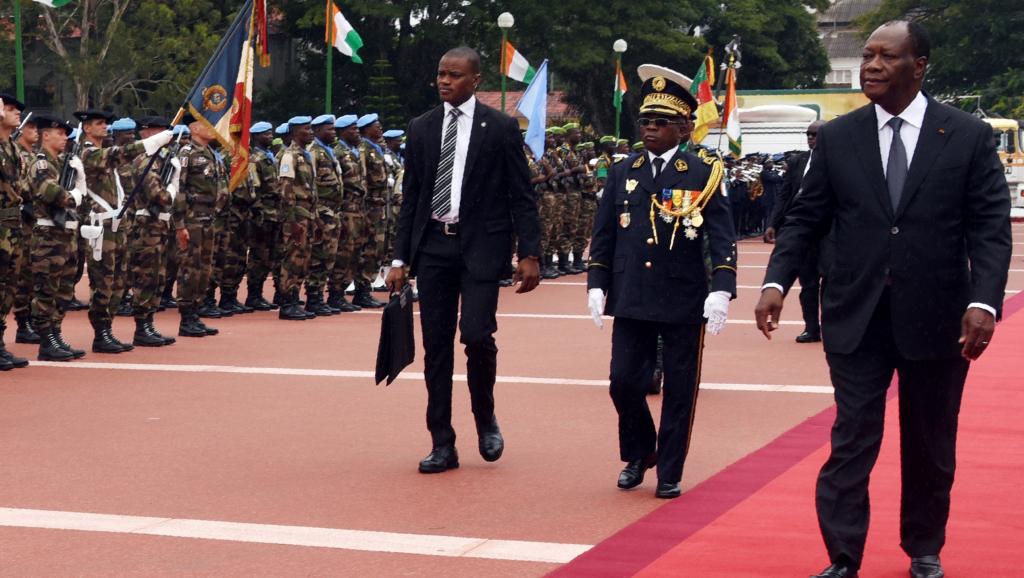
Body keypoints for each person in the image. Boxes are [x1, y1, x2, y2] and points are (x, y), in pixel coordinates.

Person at [754, 21, 1011, 578]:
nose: (871, 65)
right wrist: (776, 282)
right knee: (853, 435)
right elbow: (806, 218)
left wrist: (985, 303)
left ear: (919, 66)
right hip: (856, 316)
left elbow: (989, 227)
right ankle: (843, 555)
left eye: (885, 57)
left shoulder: (966, 135)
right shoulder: (840, 137)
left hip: (939, 317)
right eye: (867, 56)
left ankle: (924, 547)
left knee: (929, 440)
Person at [385, 46, 541, 474]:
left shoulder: (502, 128)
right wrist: (399, 258)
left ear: (475, 80)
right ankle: (442, 441)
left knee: (475, 336)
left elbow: (521, 196)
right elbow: (412, 198)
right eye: (440, 73)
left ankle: (485, 417)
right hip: (433, 247)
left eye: (454, 75)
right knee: (436, 348)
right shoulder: (421, 128)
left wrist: (530, 252)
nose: (444, 81)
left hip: (481, 248)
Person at [587, 64, 736, 499]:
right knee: (623, 381)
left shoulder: (703, 170)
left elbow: (720, 234)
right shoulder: (623, 170)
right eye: (646, 121)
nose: (651, 129)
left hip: (681, 293)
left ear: (684, 127)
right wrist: (597, 282)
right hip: (631, 292)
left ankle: (669, 468)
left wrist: (721, 287)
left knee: (680, 387)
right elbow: (605, 233)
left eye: (661, 122)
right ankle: (639, 451)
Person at [28, 114, 87, 361]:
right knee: (46, 291)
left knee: (64, 290)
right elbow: (56, 195)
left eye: (66, 134)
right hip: (47, 237)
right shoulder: (41, 165)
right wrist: (79, 190)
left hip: (65, 236)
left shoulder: (64, 164)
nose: (65, 138)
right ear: (46, 135)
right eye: (60, 133)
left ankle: (56, 333)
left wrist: (77, 177)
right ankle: (46, 341)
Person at [764, 119, 826, 343]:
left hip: (828, 235)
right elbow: (784, 194)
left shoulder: (839, 162)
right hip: (800, 232)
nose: (811, 138)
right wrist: (773, 223)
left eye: (816, 134)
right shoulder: (797, 161)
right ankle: (812, 327)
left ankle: (831, 327)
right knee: (807, 284)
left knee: (829, 285)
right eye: (808, 134)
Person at [174, 116, 229, 337]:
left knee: (204, 269)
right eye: (207, 125)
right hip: (192, 219)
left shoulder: (211, 154)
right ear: (195, 128)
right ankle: (186, 317)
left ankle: (195, 314)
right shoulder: (187, 154)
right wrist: (180, 223)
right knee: (190, 268)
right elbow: (178, 189)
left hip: (209, 219)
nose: (212, 129)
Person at [126, 116, 179, 346]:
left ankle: (149, 323)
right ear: (145, 134)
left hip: (160, 226)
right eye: (157, 132)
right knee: (146, 276)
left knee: (158, 277)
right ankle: (141, 326)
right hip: (147, 227)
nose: (163, 137)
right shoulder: (144, 161)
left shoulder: (163, 160)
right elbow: (159, 196)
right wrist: (174, 186)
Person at [276, 116, 318, 321]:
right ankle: (287, 302)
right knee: (292, 259)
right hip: (296, 216)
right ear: (294, 133)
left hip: (307, 214)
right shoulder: (289, 156)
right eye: (306, 128)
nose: (310, 132)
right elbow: (285, 189)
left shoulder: (306, 155)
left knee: (303, 259)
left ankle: (295, 299)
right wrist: (290, 219)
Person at [0, 93, 30, 369]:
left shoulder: (11, 147)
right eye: (10, 109)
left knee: (9, 287)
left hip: (12, 226)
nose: (17, 113)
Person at [244, 121, 281, 311]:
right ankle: (253, 294)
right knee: (259, 256)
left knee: (270, 256)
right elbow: (254, 189)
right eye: (266, 134)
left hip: (274, 212)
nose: (270, 136)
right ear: (256, 137)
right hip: (262, 213)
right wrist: (258, 214)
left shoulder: (270, 157)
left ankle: (258, 294)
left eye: (270, 133)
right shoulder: (255, 159)